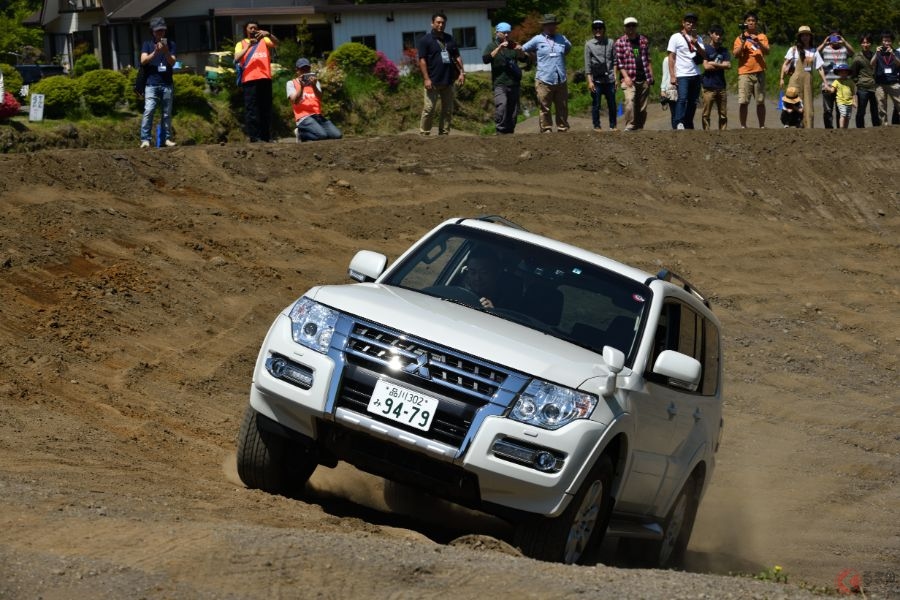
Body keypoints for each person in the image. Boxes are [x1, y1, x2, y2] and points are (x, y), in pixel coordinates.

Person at [522, 14, 572, 133]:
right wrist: (533, 57)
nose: (551, 27)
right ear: (544, 26)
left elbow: (568, 48)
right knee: (545, 107)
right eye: (549, 25)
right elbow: (523, 49)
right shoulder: (537, 39)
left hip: (560, 78)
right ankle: (546, 128)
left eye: (553, 25)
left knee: (562, 106)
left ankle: (562, 127)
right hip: (544, 78)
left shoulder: (562, 38)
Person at [417, 12, 465, 135]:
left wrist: (461, 73)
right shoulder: (425, 40)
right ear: (432, 23)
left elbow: (457, 56)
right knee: (429, 109)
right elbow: (422, 60)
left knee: (448, 109)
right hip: (432, 80)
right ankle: (424, 133)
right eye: (438, 22)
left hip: (448, 80)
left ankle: (444, 133)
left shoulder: (450, 38)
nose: (440, 25)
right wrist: (426, 78)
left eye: (443, 23)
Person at [235, 20, 279, 142]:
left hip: (265, 78)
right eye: (251, 28)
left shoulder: (265, 40)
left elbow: (277, 43)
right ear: (246, 30)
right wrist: (249, 46)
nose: (253, 30)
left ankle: (266, 137)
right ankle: (255, 137)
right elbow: (236, 58)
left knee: (266, 108)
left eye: (255, 28)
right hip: (249, 80)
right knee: (252, 109)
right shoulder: (241, 43)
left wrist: (268, 34)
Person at [482, 22, 529, 134]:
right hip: (500, 82)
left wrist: (520, 51)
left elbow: (525, 60)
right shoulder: (491, 46)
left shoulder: (513, 45)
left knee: (513, 110)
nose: (506, 35)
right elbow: (485, 59)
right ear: (497, 33)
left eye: (508, 32)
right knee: (502, 105)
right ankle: (500, 131)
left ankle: (510, 131)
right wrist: (499, 48)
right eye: (504, 33)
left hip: (514, 82)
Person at [139, 17, 176, 148]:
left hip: (167, 83)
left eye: (162, 31)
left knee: (166, 113)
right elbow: (143, 60)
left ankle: (166, 138)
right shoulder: (147, 44)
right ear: (153, 32)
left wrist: (165, 51)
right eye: (158, 31)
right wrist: (155, 52)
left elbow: (173, 62)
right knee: (149, 110)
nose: (160, 33)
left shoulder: (170, 44)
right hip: (151, 83)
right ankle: (145, 139)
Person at [780, 26, 827, 129]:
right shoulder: (793, 49)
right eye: (803, 35)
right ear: (800, 37)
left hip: (808, 81)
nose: (805, 37)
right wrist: (782, 78)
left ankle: (808, 128)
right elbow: (785, 64)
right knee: (792, 103)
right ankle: (790, 125)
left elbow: (819, 68)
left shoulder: (814, 50)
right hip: (795, 80)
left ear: (810, 37)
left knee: (808, 107)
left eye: (807, 35)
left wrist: (825, 83)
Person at [287, 58, 342, 142]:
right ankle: (301, 133)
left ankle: (307, 134)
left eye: (307, 69)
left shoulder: (315, 83)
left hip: (317, 116)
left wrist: (314, 86)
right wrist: (301, 87)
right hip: (303, 117)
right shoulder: (291, 83)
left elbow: (320, 98)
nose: (305, 71)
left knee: (337, 135)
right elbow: (295, 101)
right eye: (302, 69)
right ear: (297, 70)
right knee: (322, 135)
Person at [667, 12, 706, 129]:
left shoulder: (698, 38)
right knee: (682, 98)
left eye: (693, 22)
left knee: (693, 101)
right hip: (682, 74)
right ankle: (679, 122)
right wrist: (672, 76)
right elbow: (671, 57)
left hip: (696, 73)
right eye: (688, 22)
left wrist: (696, 44)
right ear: (683, 23)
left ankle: (688, 122)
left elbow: (704, 55)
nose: (690, 24)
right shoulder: (675, 37)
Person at [614, 17, 654, 131]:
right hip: (628, 78)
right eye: (628, 26)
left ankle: (640, 127)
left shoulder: (643, 40)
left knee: (642, 106)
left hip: (644, 76)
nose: (631, 28)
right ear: (625, 28)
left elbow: (648, 59)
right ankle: (630, 125)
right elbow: (619, 62)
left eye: (633, 25)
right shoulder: (620, 42)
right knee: (629, 101)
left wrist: (651, 76)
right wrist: (625, 77)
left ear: (636, 26)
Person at [732, 11, 770, 128]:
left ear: (756, 23)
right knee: (743, 101)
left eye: (753, 21)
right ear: (745, 23)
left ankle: (762, 126)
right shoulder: (739, 38)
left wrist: (758, 41)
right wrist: (744, 41)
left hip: (759, 72)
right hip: (745, 73)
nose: (751, 23)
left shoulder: (762, 37)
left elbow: (767, 51)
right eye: (748, 21)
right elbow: (735, 54)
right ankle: (743, 125)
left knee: (760, 101)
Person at [584, 19, 617, 130]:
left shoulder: (611, 42)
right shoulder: (589, 44)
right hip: (596, 79)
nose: (598, 30)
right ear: (593, 30)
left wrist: (616, 78)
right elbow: (587, 64)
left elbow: (615, 61)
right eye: (595, 28)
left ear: (604, 29)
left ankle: (613, 125)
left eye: (600, 28)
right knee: (596, 104)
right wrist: (589, 81)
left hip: (610, 78)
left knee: (612, 104)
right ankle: (597, 126)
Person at [817, 30, 854, 129]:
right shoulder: (825, 49)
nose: (835, 39)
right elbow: (814, 54)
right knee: (827, 110)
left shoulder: (844, 49)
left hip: (842, 86)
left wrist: (844, 42)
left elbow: (852, 52)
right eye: (832, 37)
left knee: (840, 110)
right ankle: (829, 130)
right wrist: (824, 43)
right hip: (827, 84)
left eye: (837, 37)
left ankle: (840, 130)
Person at [701, 25, 731, 130]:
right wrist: (721, 65)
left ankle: (723, 132)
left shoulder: (724, 50)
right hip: (708, 86)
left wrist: (714, 63)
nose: (718, 37)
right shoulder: (705, 49)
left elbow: (728, 65)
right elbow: (706, 66)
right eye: (716, 34)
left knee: (723, 114)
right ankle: (706, 133)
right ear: (711, 34)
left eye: (720, 35)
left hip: (721, 85)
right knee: (706, 113)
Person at [871, 32, 900, 126]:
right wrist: (876, 53)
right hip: (880, 83)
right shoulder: (878, 53)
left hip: (893, 82)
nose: (886, 43)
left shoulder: (896, 52)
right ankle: (884, 125)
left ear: (892, 42)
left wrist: (893, 55)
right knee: (881, 105)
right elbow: (872, 64)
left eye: (888, 41)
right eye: (884, 40)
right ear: (881, 41)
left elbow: (898, 64)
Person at [851, 34, 881, 127]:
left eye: (867, 42)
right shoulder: (857, 58)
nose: (865, 44)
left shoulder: (875, 55)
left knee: (875, 110)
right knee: (861, 111)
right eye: (863, 43)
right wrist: (859, 82)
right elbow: (853, 74)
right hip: (862, 88)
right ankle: (860, 129)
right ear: (861, 44)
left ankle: (877, 128)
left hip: (874, 87)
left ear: (870, 44)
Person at [830, 64, 856, 128]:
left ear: (847, 73)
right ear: (838, 73)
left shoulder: (850, 81)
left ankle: (845, 128)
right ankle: (841, 128)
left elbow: (854, 92)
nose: (843, 74)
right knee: (843, 115)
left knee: (848, 116)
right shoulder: (836, 81)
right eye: (841, 72)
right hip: (841, 101)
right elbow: (832, 90)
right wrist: (827, 88)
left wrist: (854, 101)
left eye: (845, 72)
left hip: (849, 102)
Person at [659, 56, 678, 129]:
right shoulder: (667, 60)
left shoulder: (683, 58)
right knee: (674, 112)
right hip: (671, 88)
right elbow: (665, 74)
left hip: (682, 86)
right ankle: (675, 130)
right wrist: (663, 89)